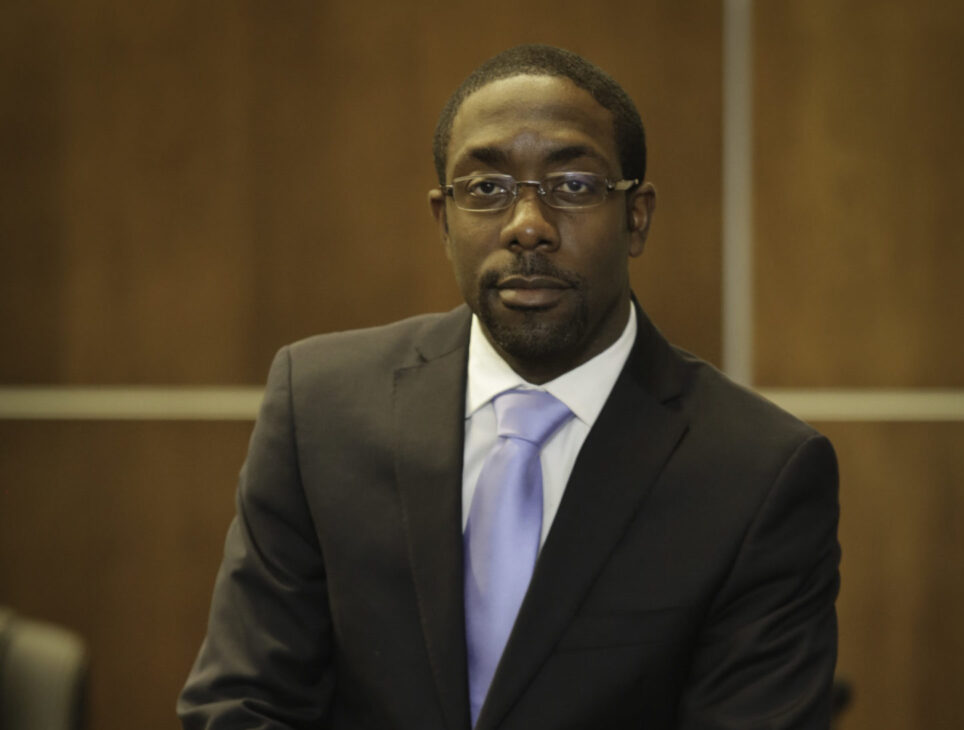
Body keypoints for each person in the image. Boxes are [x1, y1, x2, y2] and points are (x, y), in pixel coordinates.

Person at [179, 44, 840, 730]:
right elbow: (243, 703)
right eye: (486, 189)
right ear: (444, 220)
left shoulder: (758, 473)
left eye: (574, 185)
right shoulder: (321, 408)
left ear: (636, 217)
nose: (528, 226)